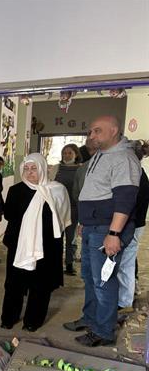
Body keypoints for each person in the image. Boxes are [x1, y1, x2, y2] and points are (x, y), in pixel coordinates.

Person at [64, 116, 141, 346]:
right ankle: (90, 318)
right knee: (89, 277)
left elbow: (125, 200)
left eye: (97, 131)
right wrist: (84, 222)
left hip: (107, 228)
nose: (92, 136)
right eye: (90, 131)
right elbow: (96, 192)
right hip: (93, 226)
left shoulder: (124, 158)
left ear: (114, 130)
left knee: (104, 281)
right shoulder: (102, 154)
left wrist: (114, 234)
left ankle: (103, 331)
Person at [1, 153, 71, 332]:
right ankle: (9, 318)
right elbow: (8, 215)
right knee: (14, 283)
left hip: (47, 246)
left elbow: (62, 217)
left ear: (42, 169)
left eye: (34, 168)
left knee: (40, 284)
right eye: (26, 168)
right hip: (20, 245)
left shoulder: (57, 190)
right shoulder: (16, 190)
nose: (30, 172)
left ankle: (33, 321)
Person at [117, 140, 149, 314]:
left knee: (126, 263)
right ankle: (125, 297)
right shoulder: (139, 173)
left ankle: (124, 300)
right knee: (126, 262)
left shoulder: (136, 175)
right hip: (135, 223)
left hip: (133, 224)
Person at [54, 143, 82, 275]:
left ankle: (69, 264)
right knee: (57, 236)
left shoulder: (81, 169)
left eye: (70, 153)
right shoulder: (57, 168)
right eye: (64, 153)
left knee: (71, 238)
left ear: (76, 154)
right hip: (58, 208)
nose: (66, 155)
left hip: (73, 208)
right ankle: (56, 263)